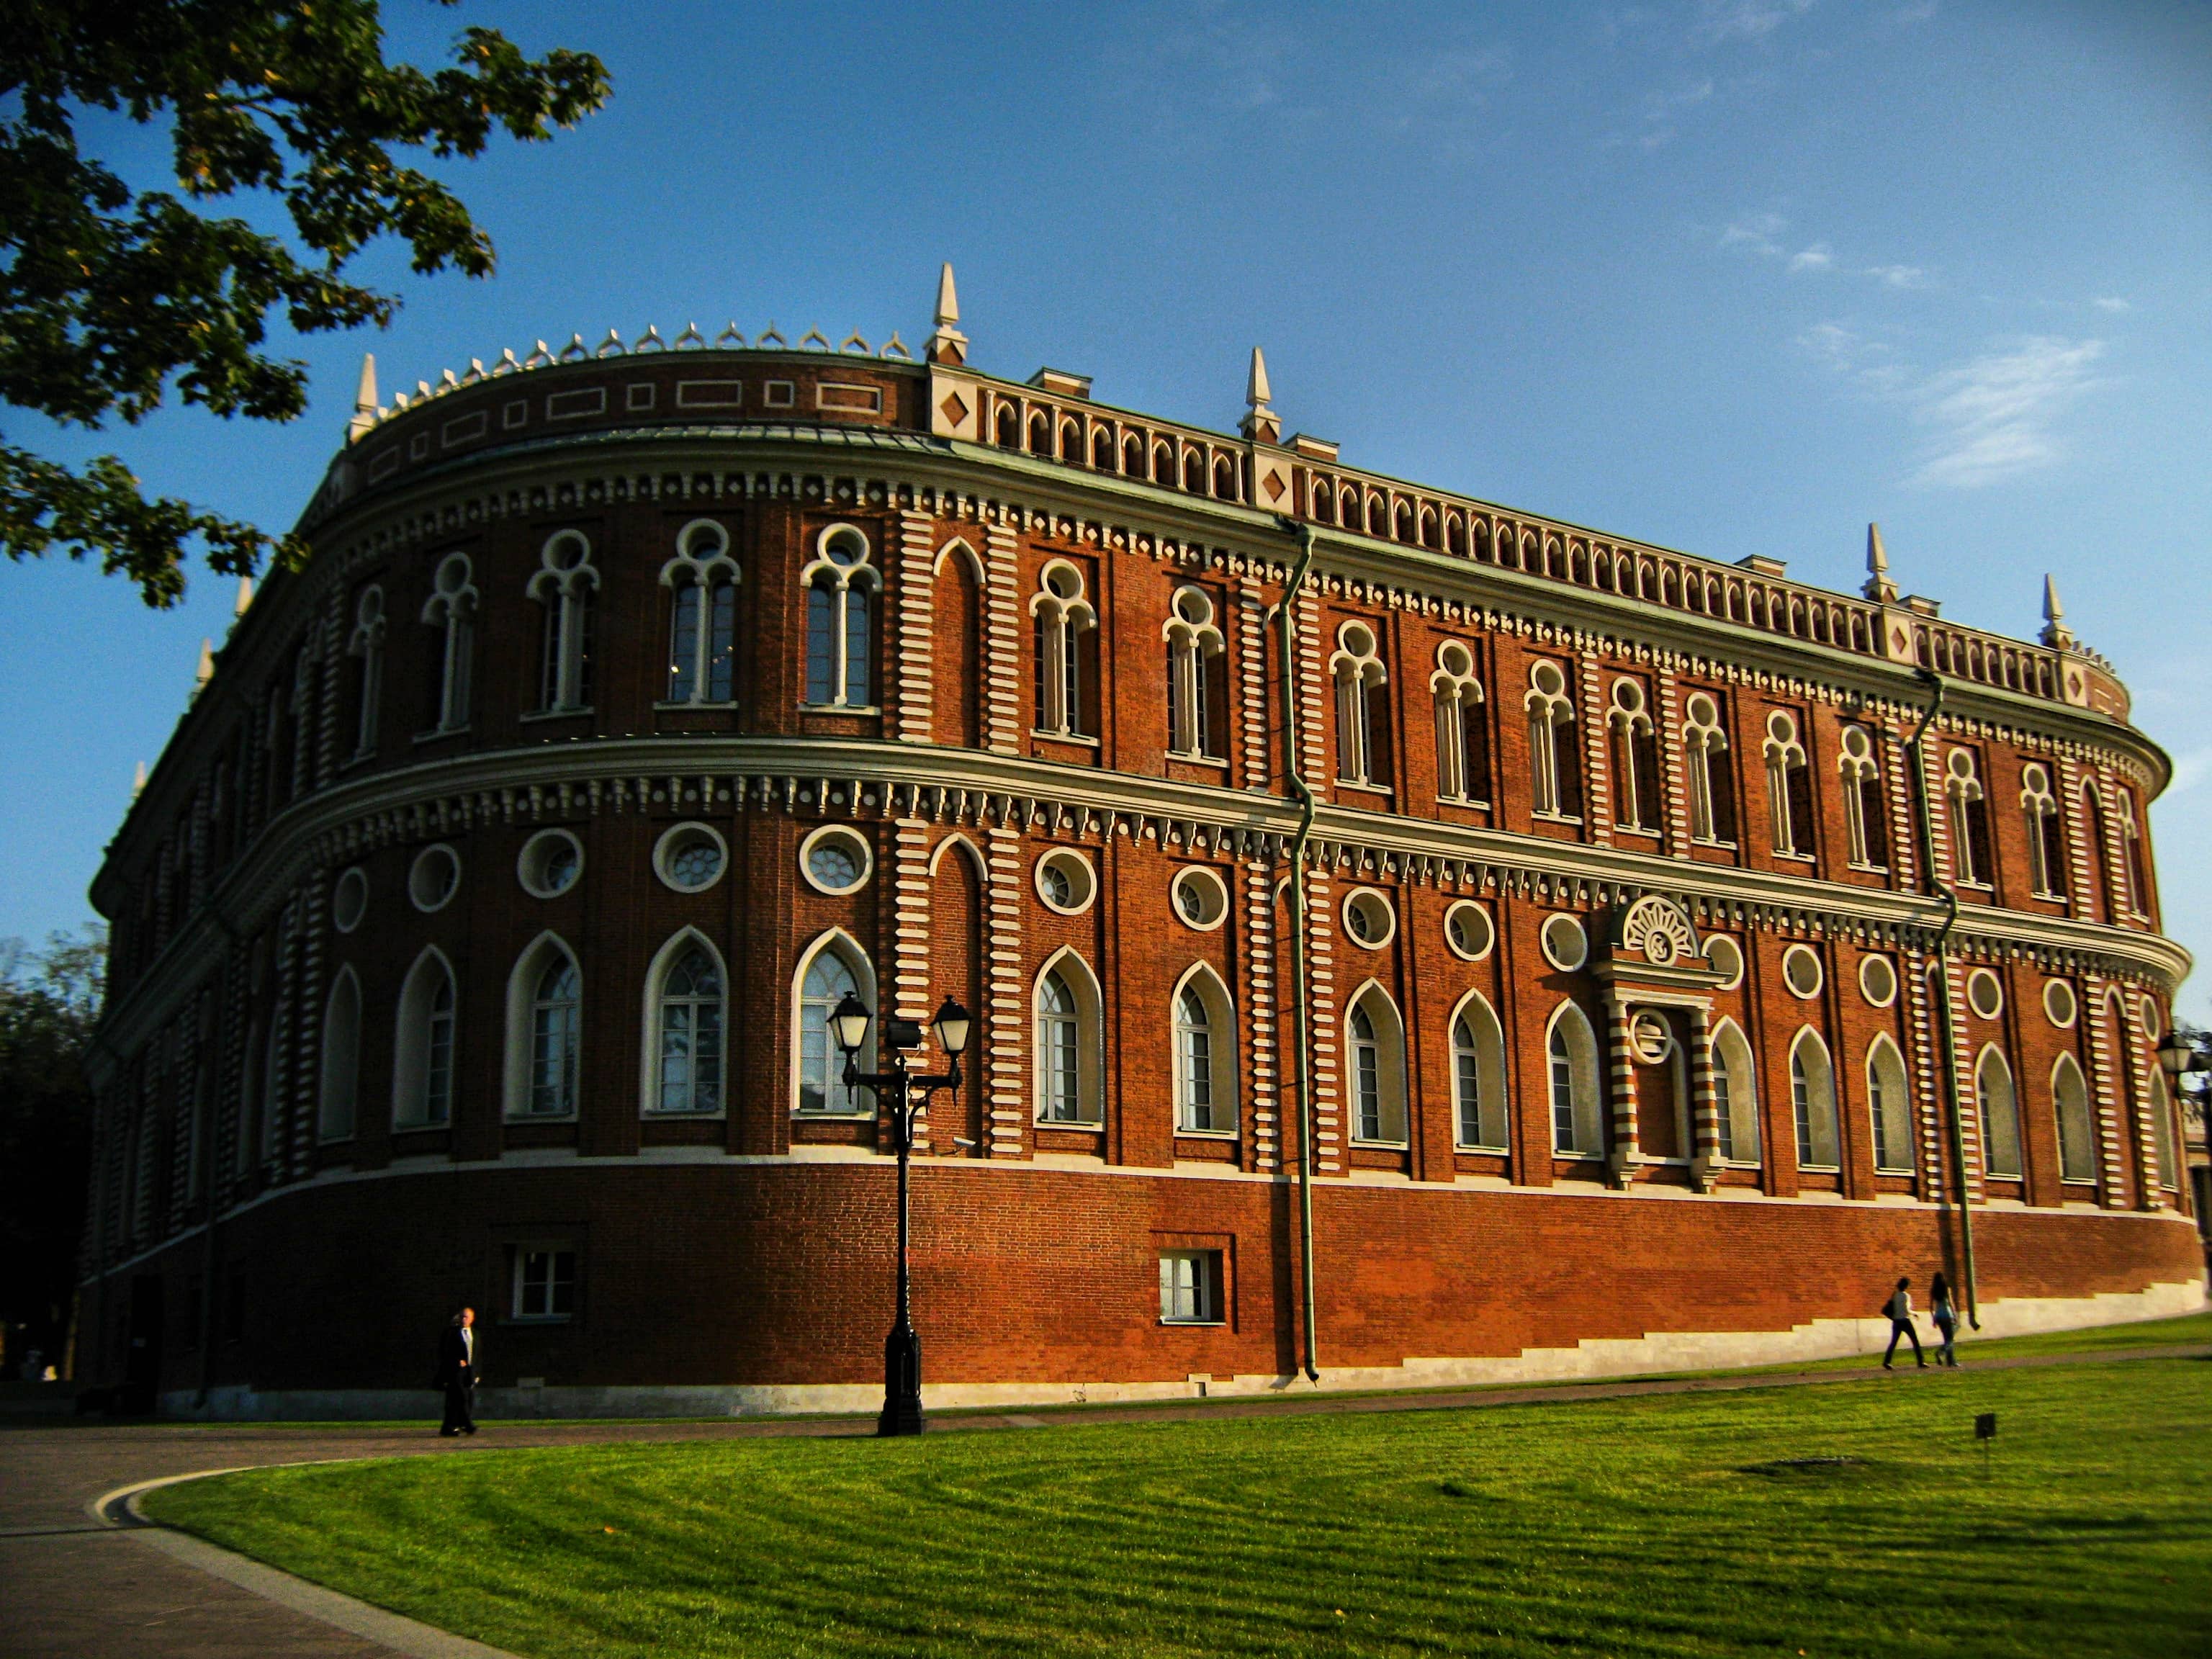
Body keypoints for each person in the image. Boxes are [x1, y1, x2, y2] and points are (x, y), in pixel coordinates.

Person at [436, 1307, 479, 1436]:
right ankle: (468, 1425)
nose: (464, 1319)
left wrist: (477, 1373)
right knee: (462, 1397)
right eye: (462, 1317)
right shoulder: (452, 1333)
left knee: (466, 1398)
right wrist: (456, 1361)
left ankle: (450, 1427)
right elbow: (444, 1351)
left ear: (472, 1319)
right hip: (456, 1371)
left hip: (470, 1371)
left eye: (466, 1317)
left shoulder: (475, 1334)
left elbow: (478, 1355)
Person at [1881, 1277, 1926, 1370]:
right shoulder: (1906, 1296)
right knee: (1915, 1341)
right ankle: (1920, 1361)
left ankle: (1887, 1361)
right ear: (1907, 1286)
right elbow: (1907, 1310)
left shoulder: (1895, 1295)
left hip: (1896, 1321)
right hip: (1905, 1321)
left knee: (1893, 1342)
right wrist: (1915, 1314)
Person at [1930, 1271, 1960, 1368]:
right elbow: (1951, 1303)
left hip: (1939, 1316)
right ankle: (1941, 1352)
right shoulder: (1947, 1288)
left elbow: (1931, 1307)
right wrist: (1955, 1315)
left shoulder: (1933, 1290)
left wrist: (1934, 1319)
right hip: (1948, 1315)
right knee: (1950, 1340)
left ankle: (1951, 1361)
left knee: (1947, 1338)